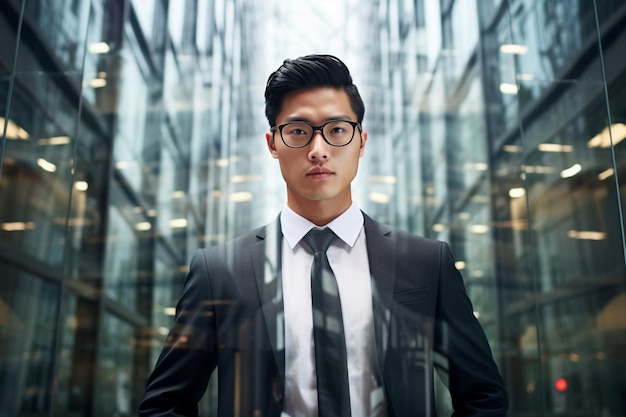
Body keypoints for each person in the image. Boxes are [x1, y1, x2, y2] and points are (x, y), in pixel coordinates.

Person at [139, 54, 508, 417]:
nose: (318, 151)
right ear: (272, 144)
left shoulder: (427, 263)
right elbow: (165, 404)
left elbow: (482, 396)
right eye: (299, 131)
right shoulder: (219, 271)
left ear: (361, 142)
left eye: (336, 130)